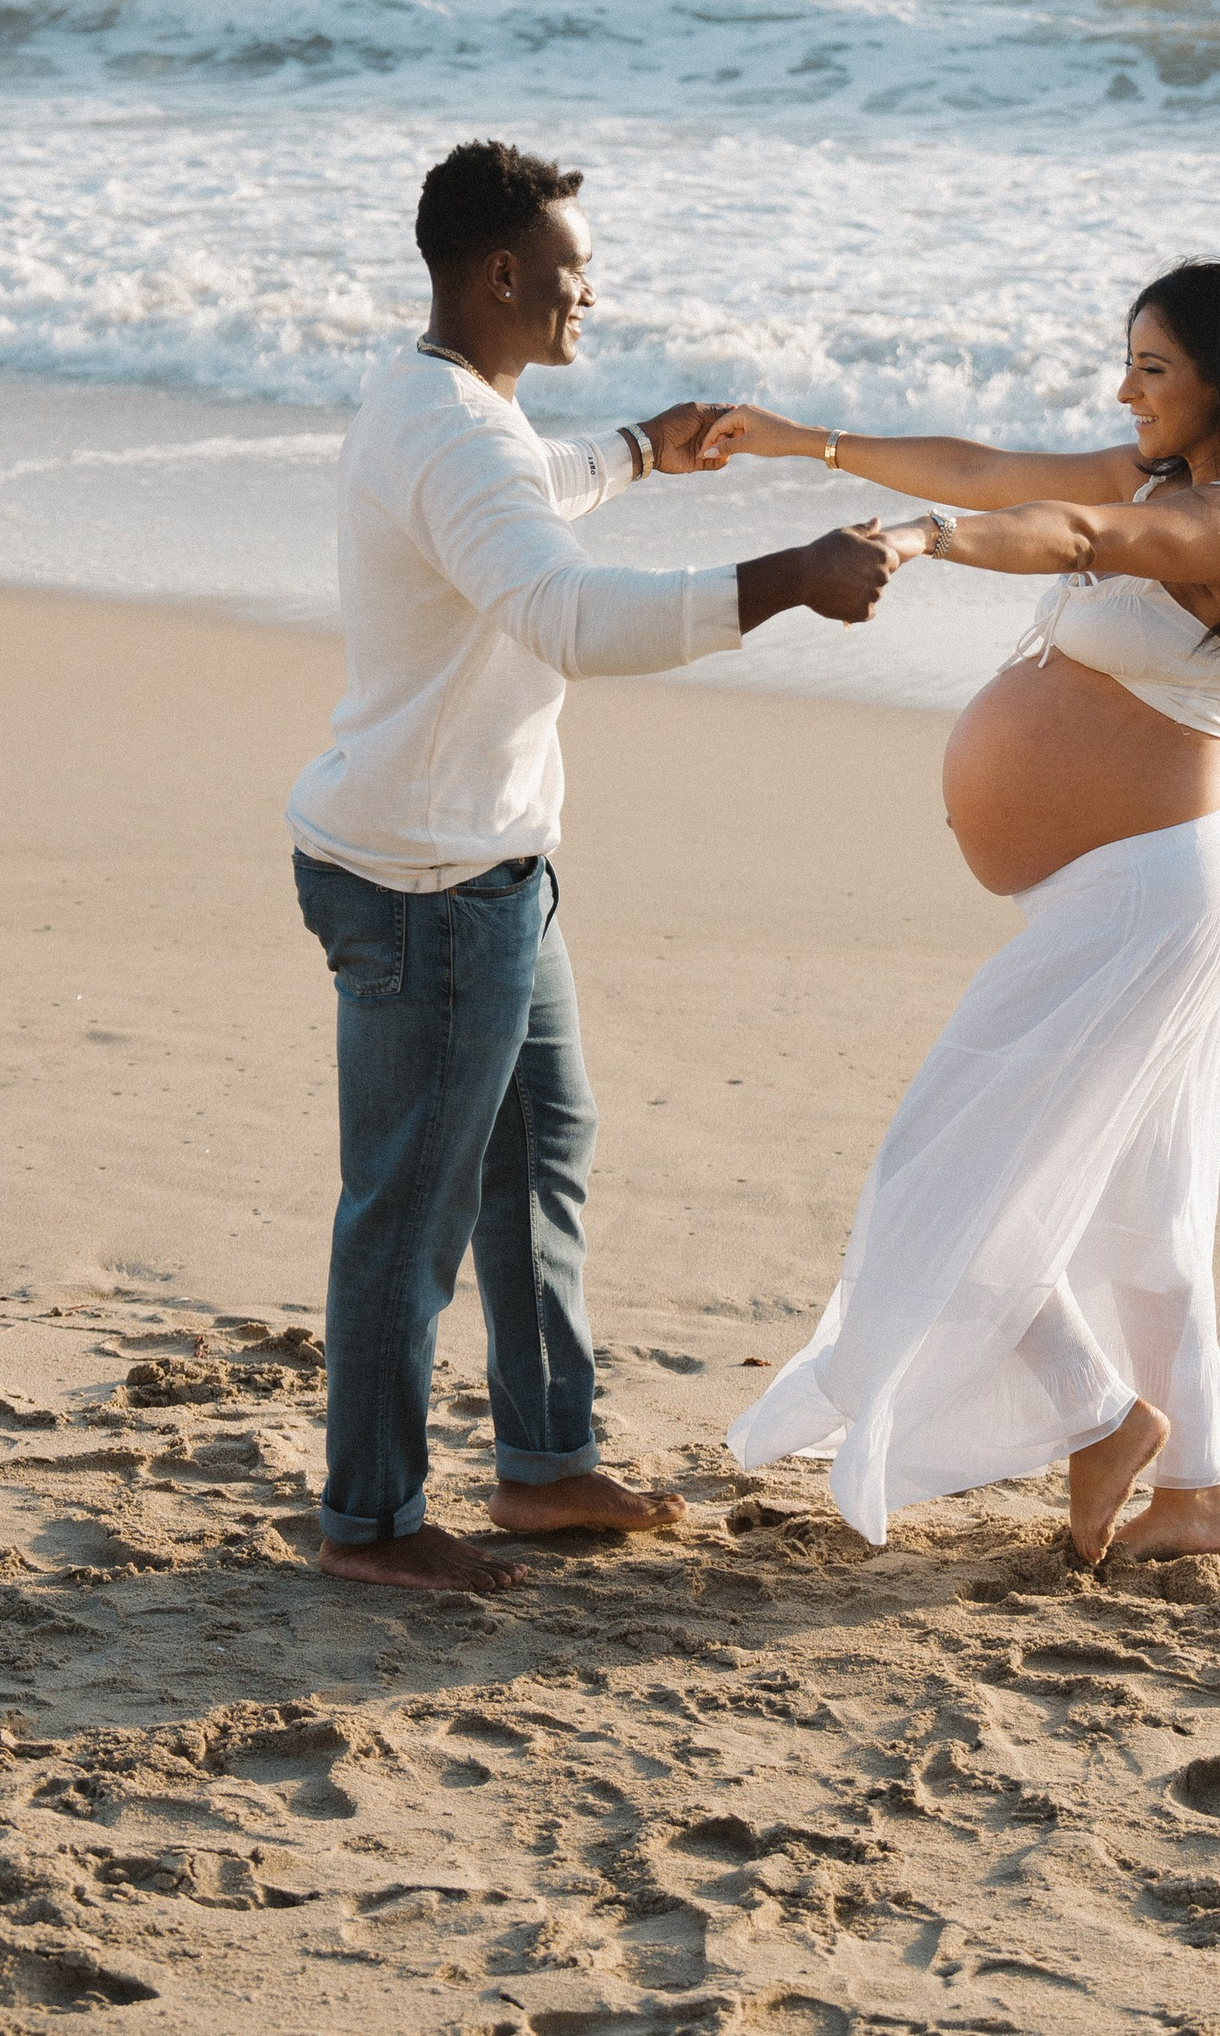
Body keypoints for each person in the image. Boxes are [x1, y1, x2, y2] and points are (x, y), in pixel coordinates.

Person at [287, 138, 902, 1594]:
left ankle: (546, 1468)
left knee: (538, 1157)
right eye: (573, 274)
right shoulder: (452, 436)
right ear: (500, 274)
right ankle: (369, 1524)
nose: (590, 294)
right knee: (409, 1210)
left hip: (486, 868)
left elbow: (526, 499)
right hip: (430, 887)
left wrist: (640, 448)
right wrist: (791, 582)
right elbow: (570, 619)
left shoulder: (448, 405)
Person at [698, 260, 1220, 1565]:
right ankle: (1195, 1492)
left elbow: (1068, 535)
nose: (1126, 388)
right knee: (1147, 1214)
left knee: (942, 1168)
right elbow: (992, 471)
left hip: (1151, 899)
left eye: (1152, 368)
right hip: (1139, 893)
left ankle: (1101, 1418)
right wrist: (801, 441)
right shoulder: (1156, 478)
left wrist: (924, 546)